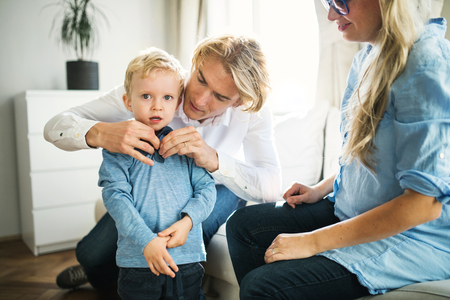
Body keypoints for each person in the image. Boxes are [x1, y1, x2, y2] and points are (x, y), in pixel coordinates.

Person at [226, 0, 450, 299]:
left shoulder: (425, 64)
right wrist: (320, 188)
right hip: (353, 210)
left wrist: (313, 242)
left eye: (341, 2)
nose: (331, 15)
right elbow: (368, 157)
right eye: (327, 3)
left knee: (263, 287)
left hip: (413, 237)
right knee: (244, 226)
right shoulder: (367, 57)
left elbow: (424, 203)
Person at [44, 34, 281, 289]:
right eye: (200, 79)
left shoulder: (251, 112)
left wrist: (213, 158)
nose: (200, 100)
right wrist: (100, 132)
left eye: (220, 97)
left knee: (183, 239)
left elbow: (271, 188)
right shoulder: (153, 87)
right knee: (90, 255)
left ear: (238, 101)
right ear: (196, 61)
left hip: (215, 187)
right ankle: (97, 274)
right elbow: (54, 126)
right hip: (150, 186)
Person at [99, 47, 216, 299]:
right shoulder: (119, 148)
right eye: (145, 96)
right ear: (128, 101)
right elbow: (116, 197)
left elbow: (206, 190)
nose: (157, 107)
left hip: (187, 258)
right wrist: (146, 241)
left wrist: (189, 222)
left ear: (178, 101)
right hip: (139, 262)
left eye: (167, 98)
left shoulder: (185, 145)